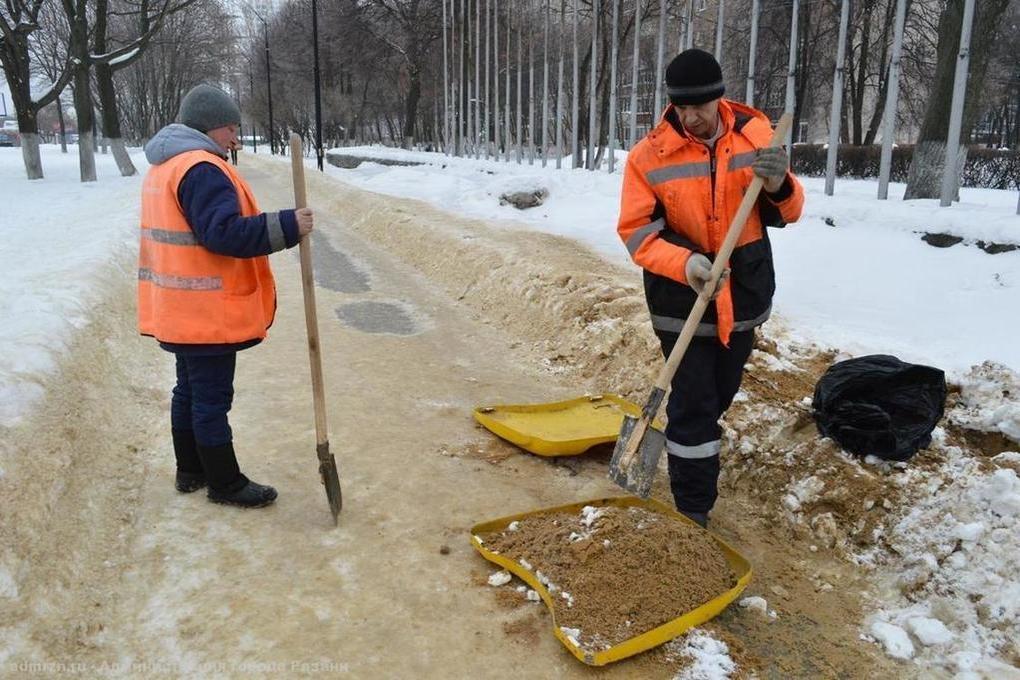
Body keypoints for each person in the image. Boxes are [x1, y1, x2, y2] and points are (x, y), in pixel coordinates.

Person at [616, 49, 804, 527]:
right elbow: (636, 233)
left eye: (699, 106)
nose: (690, 117)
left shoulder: (757, 135)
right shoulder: (649, 155)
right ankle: (693, 510)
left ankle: (694, 449)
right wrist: (687, 263)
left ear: (718, 100)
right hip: (681, 294)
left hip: (742, 290)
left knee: (719, 392)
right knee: (694, 402)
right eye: (682, 107)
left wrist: (781, 183)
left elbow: (790, 212)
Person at [138, 84, 314, 508]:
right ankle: (225, 482)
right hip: (206, 313)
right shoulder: (201, 168)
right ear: (211, 127)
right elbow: (223, 233)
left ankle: (191, 470)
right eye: (231, 128)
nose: (235, 138)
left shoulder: (166, 166)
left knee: (190, 392)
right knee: (211, 398)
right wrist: (289, 226)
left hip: (180, 308)